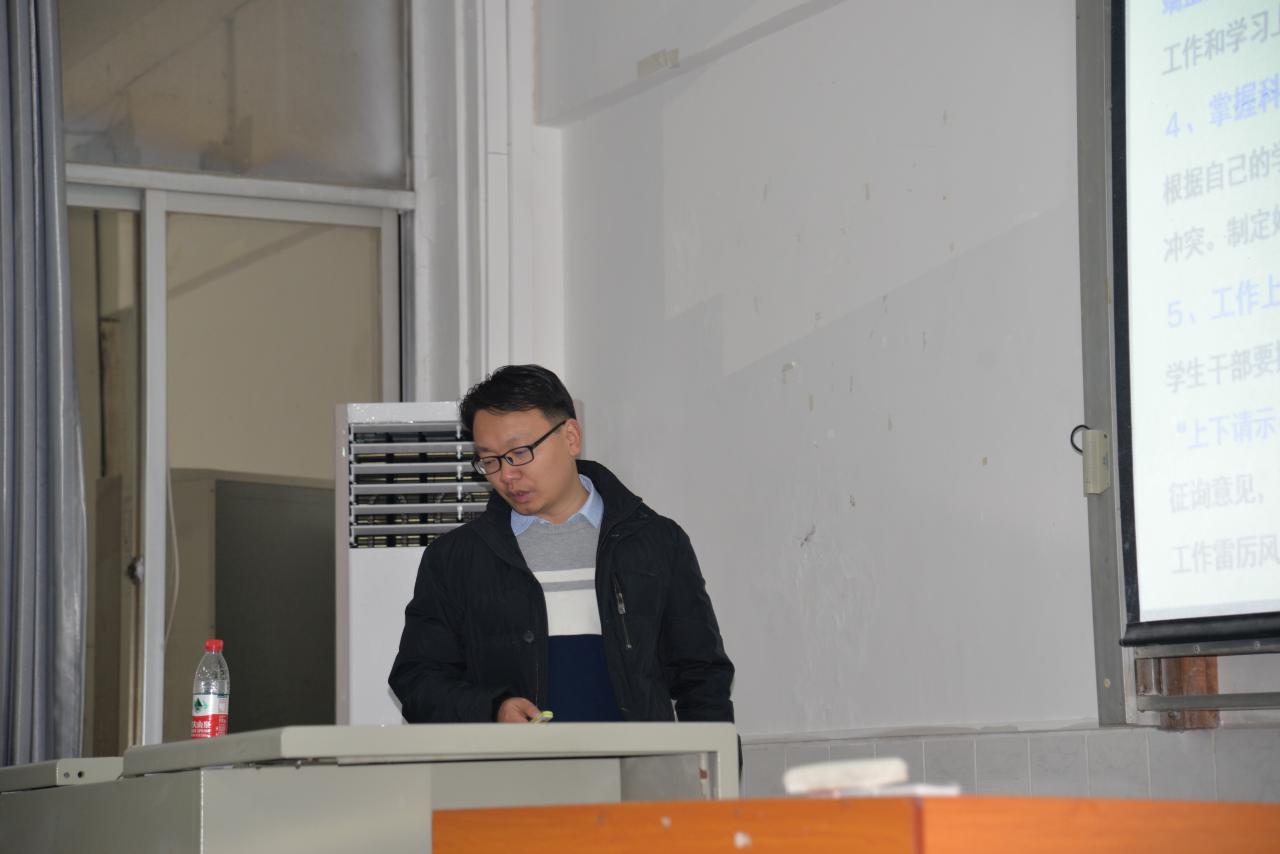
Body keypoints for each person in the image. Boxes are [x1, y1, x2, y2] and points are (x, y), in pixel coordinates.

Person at [389, 364, 734, 724]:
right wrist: (493, 708)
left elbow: (702, 679)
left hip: (637, 761)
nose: (507, 474)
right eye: (489, 460)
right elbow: (418, 681)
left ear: (570, 437)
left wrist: (714, 758)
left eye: (519, 452)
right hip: (511, 761)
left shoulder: (656, 542)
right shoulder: (456, 558)